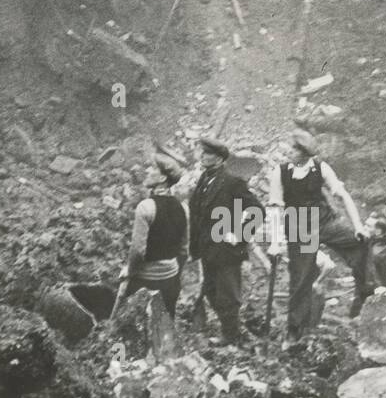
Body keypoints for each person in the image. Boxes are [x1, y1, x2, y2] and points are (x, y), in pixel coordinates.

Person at [266, 130, 372, 340]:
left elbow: (343, 196)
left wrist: (358, 225)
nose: (291, 152)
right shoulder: (280, 172)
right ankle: (296, 331)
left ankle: (365, 297)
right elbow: (276, 209)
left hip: (323, 221)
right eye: (292, 148)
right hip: (298, 225)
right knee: (302, 277)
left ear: (306, 153)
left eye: (296, 149)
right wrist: (275, 242)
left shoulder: (321, 168)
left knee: (359, 242)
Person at [187, 137, 262, 344]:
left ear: (219, 159)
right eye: (202, 153)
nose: (202, 156)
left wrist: (239, 235)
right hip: (208, 249)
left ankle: (231, 336)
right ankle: (230, 330)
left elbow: (257, 210)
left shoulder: (231, 182)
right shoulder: (205, 180)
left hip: (227, 250)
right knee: (211, 290)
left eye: (207, 153)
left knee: (228, 294)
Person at [118, 154, 189, 321]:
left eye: (153, 168)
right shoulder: (183, 208)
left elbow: (137, 251)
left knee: (129, 327)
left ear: (163, 178)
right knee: (165, 328)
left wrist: (129, 271)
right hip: (170, 281)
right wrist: (173, 274)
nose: (148, 170)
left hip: (145, 281)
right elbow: (184, 249)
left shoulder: (145, 207)